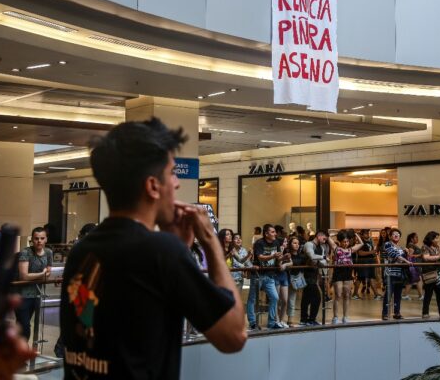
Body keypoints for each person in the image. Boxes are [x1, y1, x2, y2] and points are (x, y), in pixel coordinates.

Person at [60, 118, 246, 379]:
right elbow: (234, 335)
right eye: (172, 172)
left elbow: (137, 323)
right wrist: (210, 241)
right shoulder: (161, 251)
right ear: (152, 186)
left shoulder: (82, 251)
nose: (178, 183)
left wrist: (178, 247)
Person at [15, 227, 54, 342]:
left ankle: (17, 351)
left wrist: (39, 275)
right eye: (36, 238)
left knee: (25, 325)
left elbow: (48, 274)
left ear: (46, 239)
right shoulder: (26, 252)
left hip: (37, 293)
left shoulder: (48, 252)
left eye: (42, 238)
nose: (39, 241)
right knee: (24, 326)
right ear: (32, 239)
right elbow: (24, 276)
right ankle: (19, 352)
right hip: (21, 295)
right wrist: (42, 274)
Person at [251, 224, 285, 329]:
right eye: (272, 232)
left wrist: (284, 257)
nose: (275, 234)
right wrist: (273, 255)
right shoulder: (259, 243)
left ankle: (271, 322)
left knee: (275, 297)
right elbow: (260, 257)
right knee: (252, 299)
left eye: (275, 232)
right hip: (258, 275)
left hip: (270, 275)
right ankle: (252, 322)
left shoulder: (276, 242)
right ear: (266, 234)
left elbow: (278, 258)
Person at [327, 230, 364, 324]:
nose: (346, 243)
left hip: (348, 273)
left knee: (347, 295)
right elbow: (328, 237)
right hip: (338, 272)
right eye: (344, 241)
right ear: (340, 241)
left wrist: (355, 234)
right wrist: (337, 233)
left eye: (347, 241)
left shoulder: (350, 249)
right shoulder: (336, 248)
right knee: (338, 294)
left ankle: (345, 316)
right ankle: (335, 317)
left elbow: (361, 243)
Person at [382, 228, 411, 320]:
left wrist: (407, 252)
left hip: (399, 273)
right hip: (390, 273)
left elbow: (407, 257)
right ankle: (385, 313)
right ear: (390, 236)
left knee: (398, 294)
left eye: (398, 234)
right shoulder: (387, 244)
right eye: (394, 234)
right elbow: (394, 255)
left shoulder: (401, 247)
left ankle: (397, 312)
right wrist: (405, 260)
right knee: (388, 294)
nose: (396, 235)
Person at [301, 231, 329, 325]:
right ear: (319, 236)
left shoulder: (320, 247)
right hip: (306, 275)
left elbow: (318, 262)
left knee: (306, 298)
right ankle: (310, 319)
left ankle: (304, 319)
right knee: (316, 298)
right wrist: (324, 257)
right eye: (324, 238)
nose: (325, 241)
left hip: (313, 275)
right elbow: (312, 257)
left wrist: (323, 263)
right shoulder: (309, 244)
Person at [420, 231, 440, 318]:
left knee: (439, 294)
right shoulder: (425, 247)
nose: (438, 240)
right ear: (431, 239)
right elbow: (426, 258)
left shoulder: (437, 247)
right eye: (436, 238)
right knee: (428, 294)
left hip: (437, 273)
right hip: (429, 273)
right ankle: (425, 313)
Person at [284, 236, 306, 326]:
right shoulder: (286, 254)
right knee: (283, 300)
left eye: (298, 243)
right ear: (290, 244)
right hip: (285, 278)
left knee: (291, 300)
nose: (296, 245)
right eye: (294, 243)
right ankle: (278, 318)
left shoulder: (302, 256)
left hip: (295, 279)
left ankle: (290, 319)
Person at [352, 229, 378, 299]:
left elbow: (372, 251)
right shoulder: (361, 242)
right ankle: (355, 294)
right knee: (360, 277)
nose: (368, 234)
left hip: (370, 261)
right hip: (363, 261)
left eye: (368, 233)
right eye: (366, 233)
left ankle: (376, 294)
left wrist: (374, 256)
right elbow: (360, 253)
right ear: (362, 235)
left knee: (371, 277)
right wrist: (371, 252)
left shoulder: (369, 241)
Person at [402, 232, 423, 301]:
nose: (417, 239)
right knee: (417, 280)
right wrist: (420, 255)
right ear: (411, 239)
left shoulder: (411, 245)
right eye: (416, 237)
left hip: (415, 265)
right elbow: (410, 256)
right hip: (414, 266)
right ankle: (420, 295)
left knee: (413, 280)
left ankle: (406, 295)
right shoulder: (411, 245)